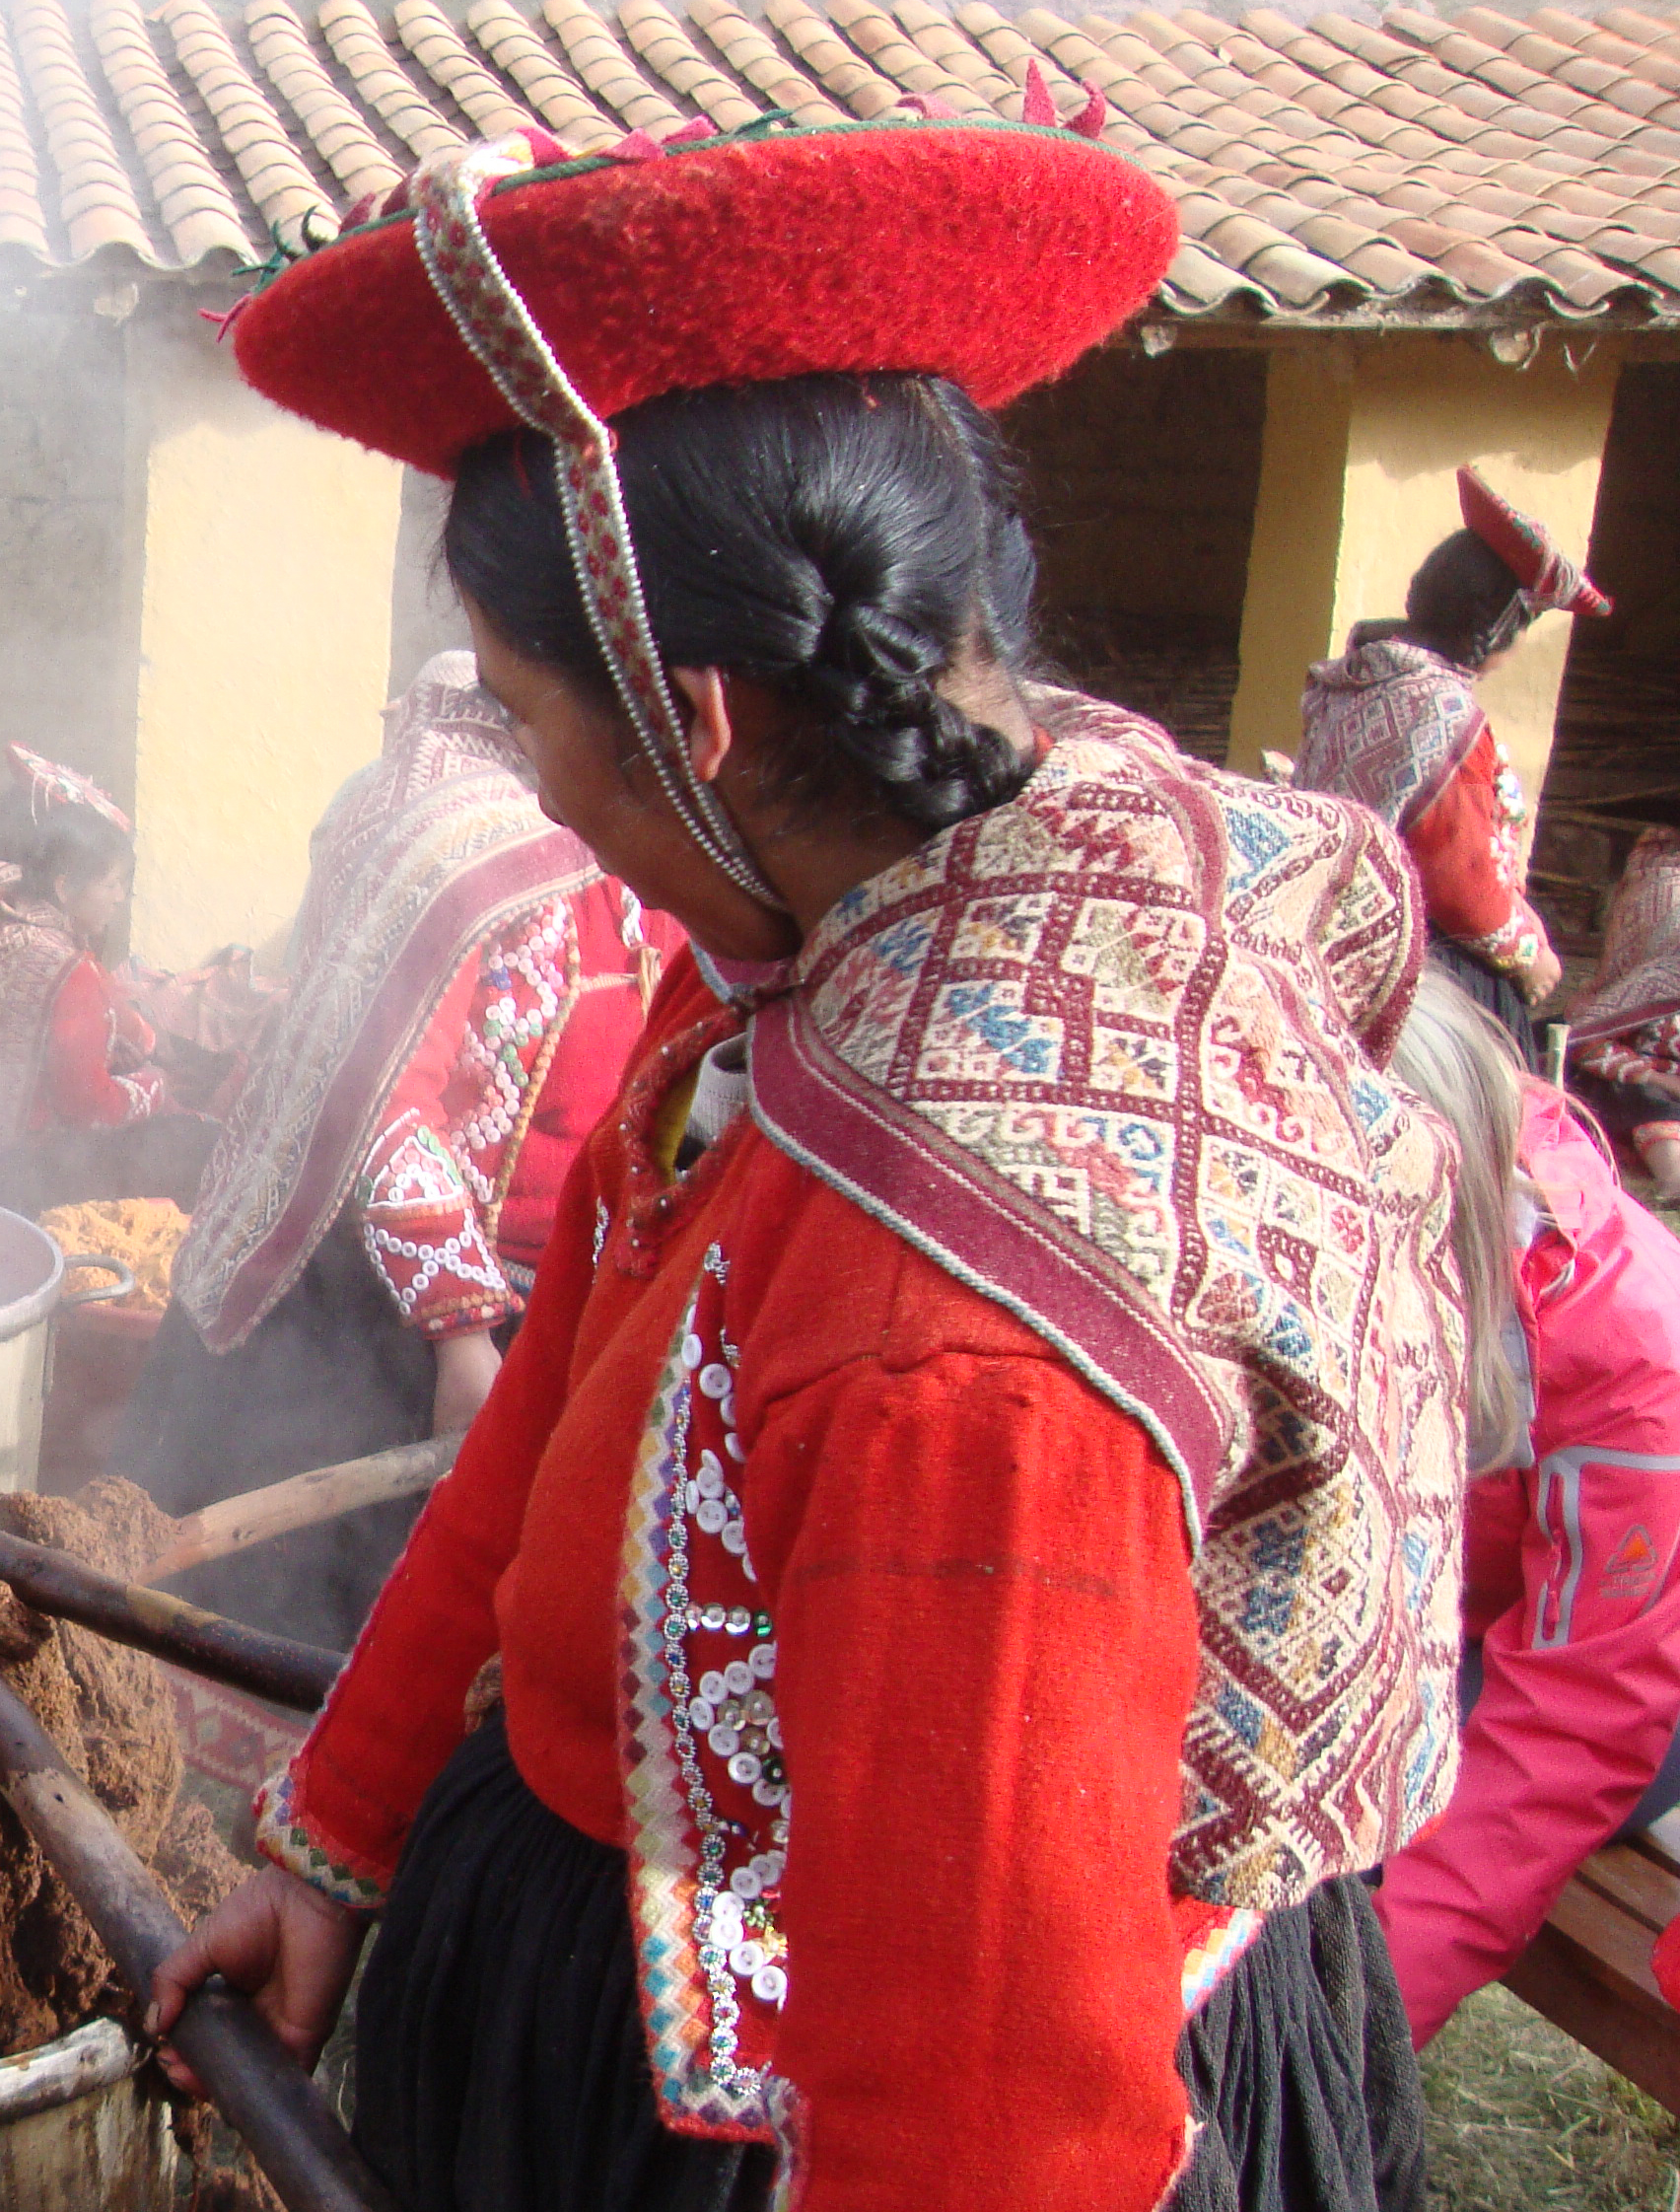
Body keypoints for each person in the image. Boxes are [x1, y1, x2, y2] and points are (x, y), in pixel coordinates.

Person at [147, 116, 1466, 2211]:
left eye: (512, 713)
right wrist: (341, 1827)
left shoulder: (954, 1328)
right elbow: (564, 1398)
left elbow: (983, 2120)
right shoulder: (834, 944)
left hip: (773, 2121)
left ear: (691, 716)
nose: (513, 780)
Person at [124, 653, 677, 1644]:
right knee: (324, 1600)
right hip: (385, 1314)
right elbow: (381, 1098)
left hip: (569, 1304)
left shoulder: (645, 851)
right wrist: (460, 1335)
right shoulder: (449, 842)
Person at [1368, 970, 1680, 2044]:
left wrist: (1354, 2027)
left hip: (1625, 1678)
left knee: (1355, 1817)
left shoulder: (1631, 1348)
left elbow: (1576, 1719)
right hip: (1460, 1618)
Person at [1294, 465, 1602, 1034]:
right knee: (1498, 1029)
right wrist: (1530, 959)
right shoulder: (1444, 716)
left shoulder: (1357, 677)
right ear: (1499, 628)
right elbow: (1458, 882)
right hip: (1398, 948)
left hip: (1318, 919)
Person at [0, 746, 173, 1184]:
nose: (118, 898)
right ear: (65, 886)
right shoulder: (65, 968)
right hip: (8, 1170)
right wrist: (157, 1086)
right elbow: (88, 1105)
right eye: (111, 884)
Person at [1566, 823, 1680, 1188]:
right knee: (1643, 1099)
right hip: (1640, 1077)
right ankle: (1675, 1180)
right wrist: (1662, 1081)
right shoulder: (1660, 978)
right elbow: (1587, 1041)